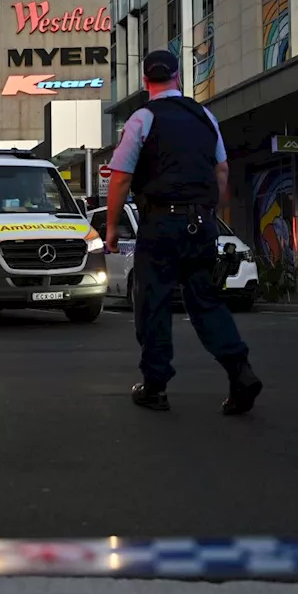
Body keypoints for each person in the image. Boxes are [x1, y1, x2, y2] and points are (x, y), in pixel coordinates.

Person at [104, 50, 262, 415]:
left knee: (154, 302)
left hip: (160, 224)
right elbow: (222, 170)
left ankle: (155, 386)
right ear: (178, 76)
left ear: (145, 81)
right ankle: (240, 371)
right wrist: (208, 211)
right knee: (205, 301)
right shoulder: (204, 116)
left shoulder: (142, 118)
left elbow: (122, 176)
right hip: (201, 223)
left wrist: (112, 227)